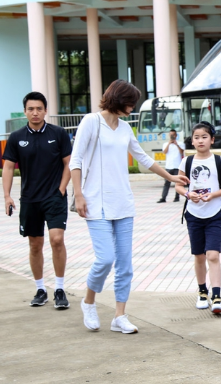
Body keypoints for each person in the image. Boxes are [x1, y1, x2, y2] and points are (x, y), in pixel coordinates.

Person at [70, 80, 189, 333]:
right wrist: (78, 194)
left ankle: (119, 316)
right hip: (95, 202)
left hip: (123, 203)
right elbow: (76, 160)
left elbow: (143, 158)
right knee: (105, 259)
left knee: (125, 264)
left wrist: (170, 177)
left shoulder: (125, 128)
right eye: (130, 102)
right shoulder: (91, 122)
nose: (132, 107)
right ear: (117, 99)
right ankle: (89, 301)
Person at [2, 92, 72, 309]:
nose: (35, 112)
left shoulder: (59, 134)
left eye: (39, 108)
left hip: (54, 197)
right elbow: (8, 167)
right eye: (31, 109)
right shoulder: (16, 137)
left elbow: (70, 163)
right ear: (25, 111)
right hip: (30, 199)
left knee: (57, 240)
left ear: (45, 110)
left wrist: (61, 190)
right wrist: (7, 196)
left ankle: (59, 289)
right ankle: (40, 289)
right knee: (35, 245)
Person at [175, 122, 221, 313]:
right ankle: (202, 292)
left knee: (213, 255)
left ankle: (217, 297)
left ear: (212, 140)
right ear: (192, 141)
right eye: (197, 137)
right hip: (193, 214)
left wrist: (213, 195)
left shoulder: (219, 161)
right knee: (199, 256)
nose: (200, 140)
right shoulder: (187, 162)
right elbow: (179, 186)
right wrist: (187, 194)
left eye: (204, 137)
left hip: (214, 214)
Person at [157, 128, 185, 203]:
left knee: (178, 182)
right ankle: (163, 198)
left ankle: (177, 197)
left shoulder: (180, 143)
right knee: (166, 183)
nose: (172, 136)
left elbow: (182, 152)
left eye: (173, 135)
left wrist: (177, 144)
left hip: (177, 166)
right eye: (171, 135)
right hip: (169, 166)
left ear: (176, 135)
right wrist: (169, 143)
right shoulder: (166, 144)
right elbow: (165, 152)